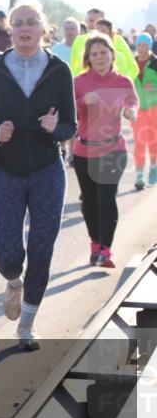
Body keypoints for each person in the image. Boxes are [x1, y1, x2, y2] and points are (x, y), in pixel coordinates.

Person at [0, 0, 75, 351]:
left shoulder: (59, 70)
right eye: (18, 23)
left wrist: (55, 127)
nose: (25, 28)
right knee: (9, 256)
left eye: (31, 22)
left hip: (47, 168)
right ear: (10, 30)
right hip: (3, 169)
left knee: (42, 248)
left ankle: (27, 327)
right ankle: (12, 281)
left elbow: (70, 125)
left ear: (43, 29)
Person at [71, 33, 138, 268]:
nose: (100, 57)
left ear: (112, 54)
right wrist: (82, 102)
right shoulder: (79, 82)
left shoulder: (123, 82)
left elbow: (133, 101)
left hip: (113, 149)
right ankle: (95, 243)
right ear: (88, 58)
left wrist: (131, 111)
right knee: (89, 201)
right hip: (84, 150)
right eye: (94, 54)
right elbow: (69, 113)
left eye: (103, 52)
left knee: (106, 198)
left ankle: (106, 251)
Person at [70, 9, 138, 79]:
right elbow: (74, 69)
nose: (94, 24)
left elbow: (133, 68)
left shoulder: (118, 40)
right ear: (86, 22)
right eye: (91, 21)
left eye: (98, 21)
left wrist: (122, 82)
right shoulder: (79, 41)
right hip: (86, 87)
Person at [131, 32, 157, 189]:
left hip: (155, 107)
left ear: (150, 46)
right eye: (140, 45)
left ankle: (154, 167)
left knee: (154, 140)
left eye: (145, 45)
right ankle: (139, 174)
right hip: (138, 108)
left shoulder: (155, 62)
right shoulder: (132, 63)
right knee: (139, 141)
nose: (142, 49)